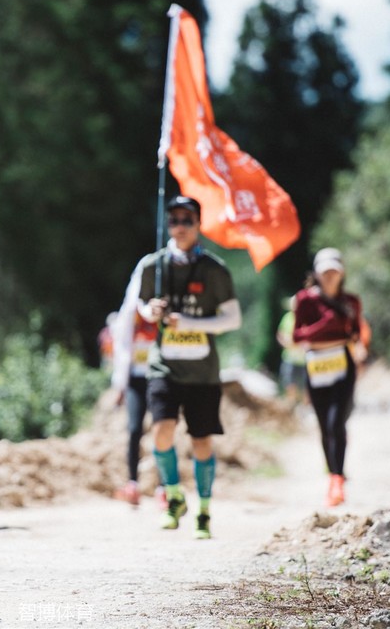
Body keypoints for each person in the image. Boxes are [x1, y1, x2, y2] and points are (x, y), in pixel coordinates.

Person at [135, 196, 242, 539]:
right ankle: (174, 496)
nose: (179, 226)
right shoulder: (154, 265)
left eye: (186, 220)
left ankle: (205, 512)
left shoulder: (215, 269)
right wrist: (149, 310)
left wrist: (193, 323)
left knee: (201, 441)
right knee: (161, 430)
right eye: (174, 220)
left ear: (198, 224)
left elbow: (232, 318)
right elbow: (141, 305)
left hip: (203, 372)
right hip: (164, 366)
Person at [292, 248, 366, 508]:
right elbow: (298, 336)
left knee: (337, 422)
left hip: (342, 364)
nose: (330, 276)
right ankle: (331, 473)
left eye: (334, 271)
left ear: (342, 272)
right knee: (324, 424)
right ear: (317, 274)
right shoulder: (305, 300)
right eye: (325, 272)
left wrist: (347, 340)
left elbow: (356, 333)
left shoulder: (351, 302)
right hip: (316, 366)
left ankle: (338, 479)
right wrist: (327, 324)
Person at [109, 265, 159, 506]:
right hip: (136, 378)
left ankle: (163, 487)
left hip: (159, 375)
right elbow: (121, 350)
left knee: (161, 430)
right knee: (133, 429)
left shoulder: (160, 308)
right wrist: (119, 386)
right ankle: (132, 483)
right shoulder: (129, 316)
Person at [275, 295, 306, 407]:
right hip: (289, 358)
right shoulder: (287, 318)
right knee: (289, 384)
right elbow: (280, 334)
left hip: (303, 359)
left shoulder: (305, 317)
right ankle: (291, 407)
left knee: (305, 387)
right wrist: (286, 343)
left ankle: (305, 408)